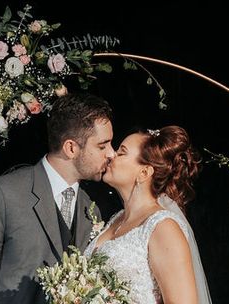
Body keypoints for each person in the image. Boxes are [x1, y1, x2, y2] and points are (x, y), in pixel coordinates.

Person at [0, 93, 116, 304]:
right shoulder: (2, 194)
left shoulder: (90, 210)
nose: (112, 153)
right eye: (102, 146)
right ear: (71, 148)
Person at [84, 126, 212, 304]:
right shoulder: (116, 219)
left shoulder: (163, 227)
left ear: (144, 172)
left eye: (122, 152)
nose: (112, 155)